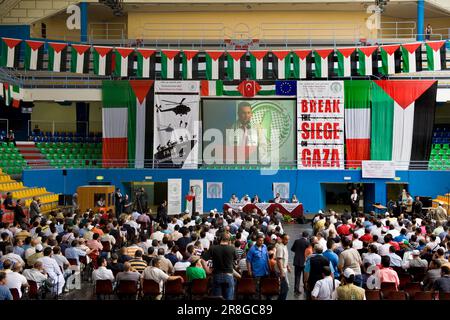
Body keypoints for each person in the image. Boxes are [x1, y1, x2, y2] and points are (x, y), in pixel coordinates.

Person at [204, 232, 237, 300]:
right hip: (228, 276)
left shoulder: (213, 248)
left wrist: (207, 270)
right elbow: (235, 259)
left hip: (216, 276)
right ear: (228, 240)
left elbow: (202, 259)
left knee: (217, 299)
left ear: (220, 239)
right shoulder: (232, 248)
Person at [291, 231, 310, 295]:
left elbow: (292, 249)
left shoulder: (297, 241)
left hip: (297, 261)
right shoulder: (307, 243)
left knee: (297, 276)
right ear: (307, 236)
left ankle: (296, 289)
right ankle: (305, 288)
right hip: (304, 261)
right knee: (305, 276)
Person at [275, 234, 290, 300]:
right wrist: (282, 272)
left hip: (284, 269)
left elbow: (284, 258)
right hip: (281, 270)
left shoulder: (284, 246)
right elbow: (279, 260)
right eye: (286, 239)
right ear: (282, 239)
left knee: (285, 287)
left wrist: (287, 266)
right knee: (284, 288)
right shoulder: (280, 248)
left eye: (288, 239)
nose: (287, 241)